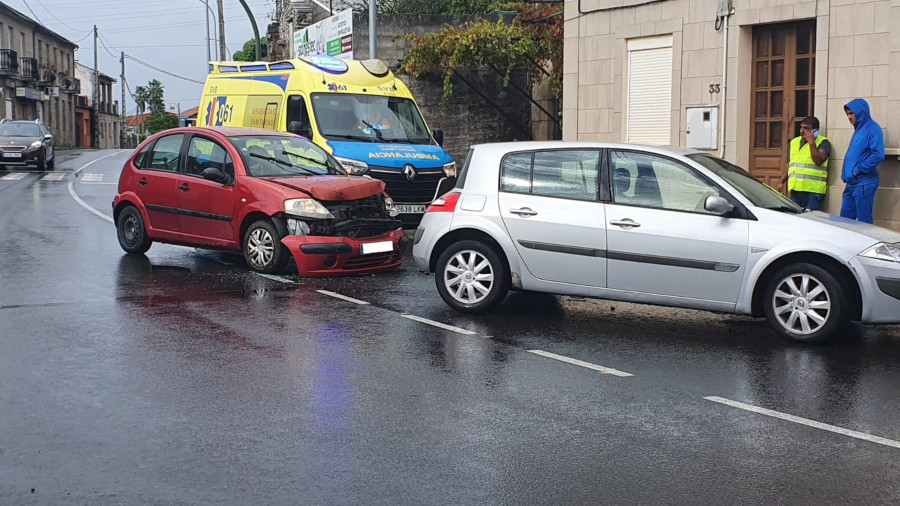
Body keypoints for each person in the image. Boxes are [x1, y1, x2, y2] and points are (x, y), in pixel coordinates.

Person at [840, 98, 884, 223]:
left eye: (852, 113)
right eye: (847, 114)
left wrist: (857, 170)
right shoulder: (858, 130)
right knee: (844, 221)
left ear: (861, 112)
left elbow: (878, 155)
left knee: (864, 223)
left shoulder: (873, 128)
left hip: (864, 183)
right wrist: (846, 174)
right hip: (851, 183)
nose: (849, 117)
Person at [777, 116, 830, 211]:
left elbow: (818, 161)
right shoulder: (794, 142)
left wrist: (811, 143)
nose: (803, 131)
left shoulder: (823, 142)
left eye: (807, 128)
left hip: (813, 191)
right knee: (793, 219)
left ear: (815, 130)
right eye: (801, 127)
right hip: (795, 190)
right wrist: (781, 181)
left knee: (811, 220)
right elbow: (791, 163)